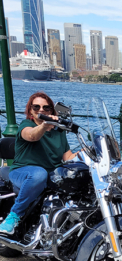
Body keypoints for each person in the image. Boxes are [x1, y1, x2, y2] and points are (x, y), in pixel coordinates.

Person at [0, 92, 78, 234]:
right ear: (30, 110)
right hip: (23, 171)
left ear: (51, 110)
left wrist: (88, 151)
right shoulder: (26, 125)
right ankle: (13, 216)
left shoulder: (59, 132)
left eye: (46, 107)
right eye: (36, 107)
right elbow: (32, 136)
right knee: (39, 174)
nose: (41, 110)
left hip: (51, 174)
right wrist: (44, 125)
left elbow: (68, 157)